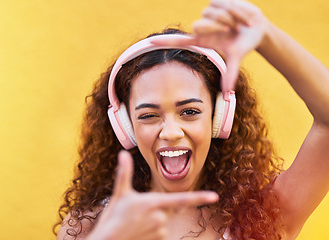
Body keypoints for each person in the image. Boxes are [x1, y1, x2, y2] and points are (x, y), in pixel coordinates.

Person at [55, 0, 329, 239]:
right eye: (149, 116)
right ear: (125, 127)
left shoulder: (264, 216)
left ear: (219, 118)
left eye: (189, 111)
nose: (171, 132)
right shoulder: (86, 227)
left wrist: (266, 35)